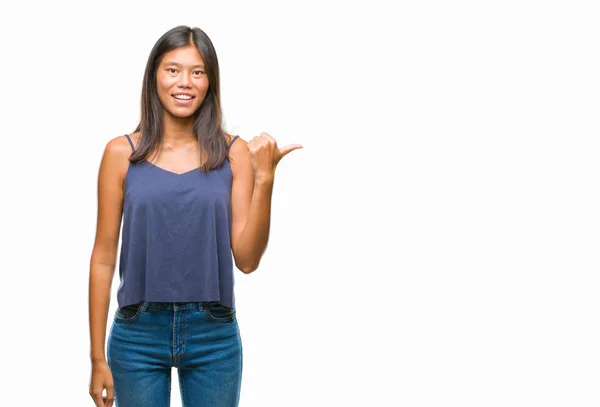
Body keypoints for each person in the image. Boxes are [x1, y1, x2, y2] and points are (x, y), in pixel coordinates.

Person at [87, 25, 302, 407]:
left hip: (213, 335)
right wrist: (97, 358)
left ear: (210, 81)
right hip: (137, 334)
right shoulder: (121, 153)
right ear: (154, 75)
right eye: (173, 69)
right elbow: (103, 258)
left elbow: (248, 261)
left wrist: (265, 178)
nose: (184, 82)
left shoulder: (233, 153)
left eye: (197, 72)